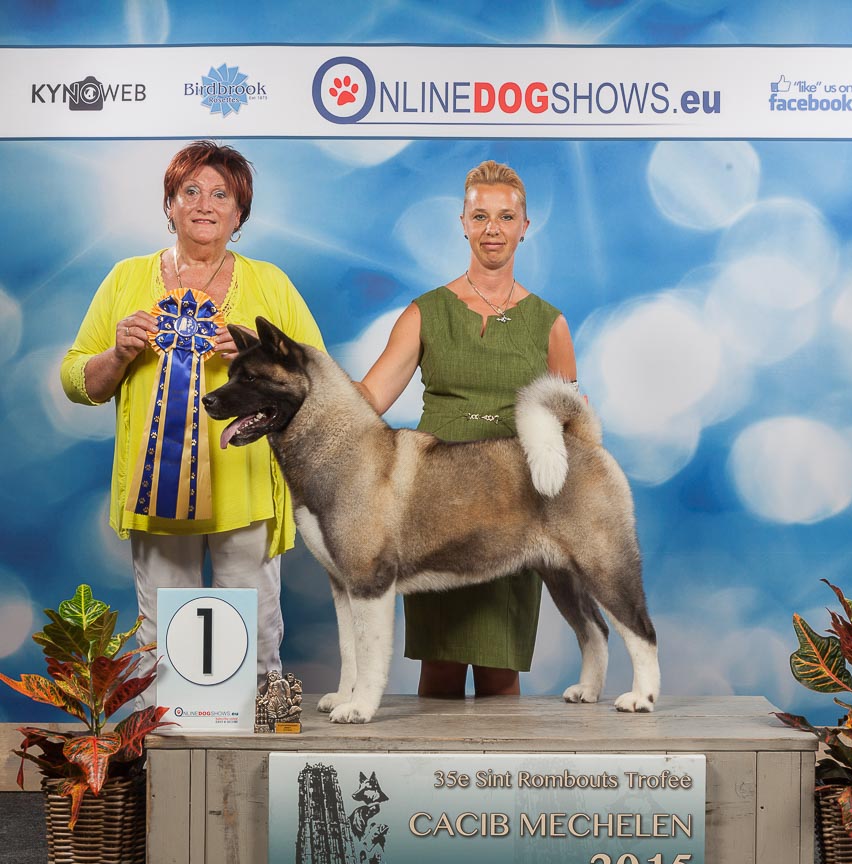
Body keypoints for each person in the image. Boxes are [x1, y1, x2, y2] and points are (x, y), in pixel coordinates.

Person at [60, 140, 326, 680]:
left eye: (221, 194)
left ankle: (253, 733)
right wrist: (118, 354)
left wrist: (259, 357)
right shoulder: (125, 278)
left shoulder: (270, 283)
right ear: (170, 204)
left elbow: (317, 382)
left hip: (245, 489)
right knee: (161, 643)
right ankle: (167, 735)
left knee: (255, 640)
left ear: (239, 214)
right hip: (156, 491)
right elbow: (76, 381)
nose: (205, 204)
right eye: (191, 191)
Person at [355, 160, 578, 698]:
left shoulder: (551, 323)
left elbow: (568, 428)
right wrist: (297, 386)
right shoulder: (423, 313)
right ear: (463, 223)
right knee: (439, 667)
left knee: (501, 671)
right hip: (431, 504)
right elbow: (368, 400)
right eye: (480, 216)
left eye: (505, 217)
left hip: (513, 505)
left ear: (525, 226)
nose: (492, 229)